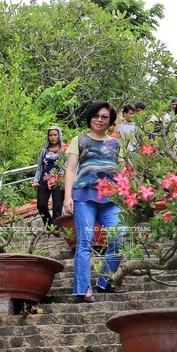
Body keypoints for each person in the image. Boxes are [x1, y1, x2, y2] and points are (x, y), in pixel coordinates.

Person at [63, 101, 125, 303]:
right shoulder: (79, 140)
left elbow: (123, 170)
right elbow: (71, 170)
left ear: (110, 121)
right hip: (84, 196)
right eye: (96, 115)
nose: (99, 119)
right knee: (85, 242)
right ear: (90, 118)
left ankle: (104, 282)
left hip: (111, 198)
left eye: (104, 117)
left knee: (120, 238)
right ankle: (83, 290)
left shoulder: (116, 143)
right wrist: (67, 196)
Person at [32, 126, 65, 231]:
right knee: (41, 205)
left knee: (57, 208)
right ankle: (50, 224)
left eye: (55, 135)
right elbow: (39, 167)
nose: (53, 137)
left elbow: (67, 166)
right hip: (44, 180)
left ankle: (54, 231)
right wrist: (36, 180)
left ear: (59, 135)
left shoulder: (64, 150)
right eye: (50, 135)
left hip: (59, 182)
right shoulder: (44, 151)